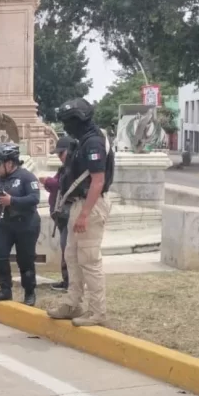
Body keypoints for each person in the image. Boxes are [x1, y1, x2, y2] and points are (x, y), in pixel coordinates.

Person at [46, 98, 115, 327]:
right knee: (72, 257)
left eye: (67, 122)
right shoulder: (84, 140)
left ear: (77, 120)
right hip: (80, 204)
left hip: (90, 205)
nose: (66, 126)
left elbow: (98, 181)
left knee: (89, 259)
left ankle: (98, 311)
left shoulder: (93, 142)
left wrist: (85, 214)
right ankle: (73, 302)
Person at [0, 142, 42, 307]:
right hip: (4, 224)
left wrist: (12, 200)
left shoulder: (26, 177)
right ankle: (4, 289)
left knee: (25, 260)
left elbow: (34, 198)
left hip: (26, 225)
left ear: (9, 163)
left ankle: (29, 291)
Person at [42, 134, 76, 291]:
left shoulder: (73, 168)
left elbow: (60, 185)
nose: (59, 157)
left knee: (68, 250)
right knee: (65, 249)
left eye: (61, 153)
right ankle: (66, 280)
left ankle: (71, 282)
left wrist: (47, 181)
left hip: (69, 215)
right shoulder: (64, 168)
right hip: (61, 216)